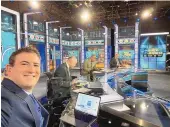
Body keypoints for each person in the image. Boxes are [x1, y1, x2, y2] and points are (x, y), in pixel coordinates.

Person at [1, 47, 49, 127]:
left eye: (36, 65)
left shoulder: (25, 92)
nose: (32, 70)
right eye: (24, 64)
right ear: (9, 69)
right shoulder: (5, 103)